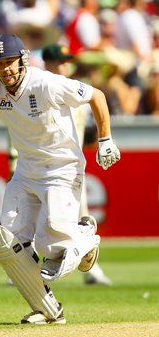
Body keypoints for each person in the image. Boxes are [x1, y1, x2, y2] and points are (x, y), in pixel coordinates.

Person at [0, 33, 120, 325]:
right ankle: (48, 308)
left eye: (10, 62)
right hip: (27, 171)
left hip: (62, 167)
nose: (6, 70)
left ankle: (85, 237)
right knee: (8, 243)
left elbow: (96, 96)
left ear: (23, 60)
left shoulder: (46, 83)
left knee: (52, 248)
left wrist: (105, 140)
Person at [41, 42, 112, 285]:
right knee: (37, 220)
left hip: (70, 167)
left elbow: (86, 123)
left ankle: (91, 268)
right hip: (40, 165)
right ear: (47, 63)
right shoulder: (37, 87)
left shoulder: (73, 89)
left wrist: (103, 142)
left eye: (66, 61)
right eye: (60, 61)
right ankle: (26, 268)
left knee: (81, 217)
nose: (64, 65)